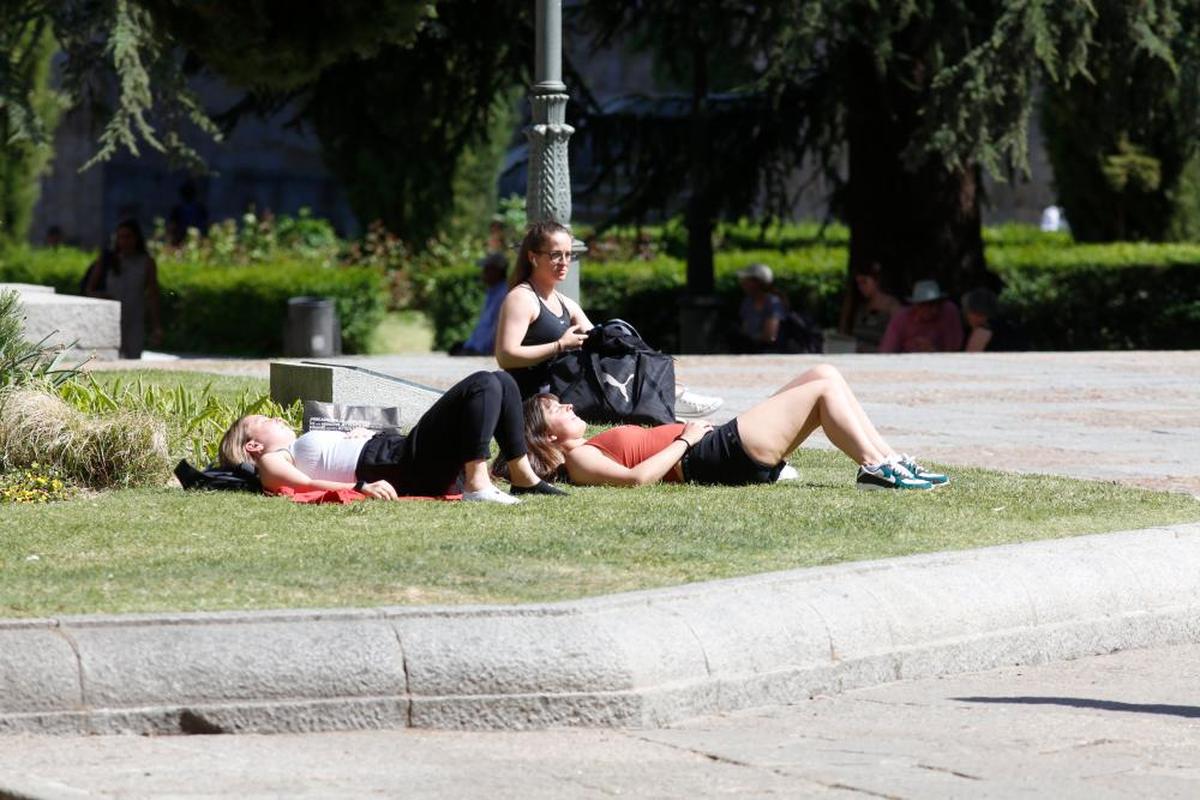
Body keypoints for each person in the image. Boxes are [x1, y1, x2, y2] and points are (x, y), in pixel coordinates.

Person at [513, 363, 947, 491]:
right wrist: (685, 440)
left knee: (824, 375)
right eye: (556, 408)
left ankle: (888, 460)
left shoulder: (587, 444)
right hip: (710, 455)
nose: (567, 405)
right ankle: (874, 466)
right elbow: (634, 479)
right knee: (823, 393)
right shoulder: (579, 460)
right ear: (546, 434)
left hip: (716, 447)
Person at [219, 371, 565, 505]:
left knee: (501, 382)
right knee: (483, 385)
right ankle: (477, 484)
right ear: (253, 445)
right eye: (262, 420)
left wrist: (357, 437)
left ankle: (523, 477)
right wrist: (357, 489)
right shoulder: (271, 460)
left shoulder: (295, 446)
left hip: (400, 455)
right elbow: (307, 482)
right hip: (398, 464)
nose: (274, 416)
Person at [494, 220, 723, 417]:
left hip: (566, 388)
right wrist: (559, 345)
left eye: (568, 254)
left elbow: (600, 342)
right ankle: (669, 398)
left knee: (613, 344)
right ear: (533, 258)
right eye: (556, 255)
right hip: (537, 398)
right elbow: (505, 356)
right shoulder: (521, 299)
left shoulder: (564, 302)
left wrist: (632, 352)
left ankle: (669, 393)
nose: (564, 262)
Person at [84, 219, 163, 359]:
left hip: (134, 318)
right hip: (110, 318)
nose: (124, 241)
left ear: (136, 238)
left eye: (128, 237)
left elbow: (152, 294)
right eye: (120, 237)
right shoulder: (107, 260)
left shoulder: (146, 262)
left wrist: (156, 326)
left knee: (133, 358)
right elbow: (89, 290)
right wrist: (102, 296)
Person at [879, 279, 963, 354]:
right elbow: (887, 351)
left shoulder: (949, 311)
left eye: (937, 303)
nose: (934, 310)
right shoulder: (901, 318)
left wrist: (933, 352)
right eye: (928, 305)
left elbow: (954, 352)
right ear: (916, 305)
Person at [450, 252, 509, 356]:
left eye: (487, 269)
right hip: (474, 347)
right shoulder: (492, 292)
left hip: (482, 351)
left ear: (497, 270)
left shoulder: (503, 295)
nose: (483, 272)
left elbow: (495, 330)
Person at [733, 262, 787, 353]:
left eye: (747, 280)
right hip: (750, 350)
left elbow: (770, 336)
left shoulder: (772, 302)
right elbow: (745, 329)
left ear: (758, 283)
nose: (743, 283)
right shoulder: (747, 302)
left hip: (772, 351)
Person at [848, 262, 901, 353]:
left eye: (864, 282)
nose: (861, 287)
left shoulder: (891, 306)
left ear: (876, 281)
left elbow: (898, 339)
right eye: (858, 284)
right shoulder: (862, 307)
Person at [961, 288, 1029, 352]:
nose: (966, 316)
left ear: (974, 311)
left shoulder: (983, 331)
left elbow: (969, 361)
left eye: (966, 310)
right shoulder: (1010, 327)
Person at [167, 180, 209, 245]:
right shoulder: (200, 208)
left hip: (184, 240)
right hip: (188, 240)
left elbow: (172, 226)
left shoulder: (178, 209)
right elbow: (205, 226)